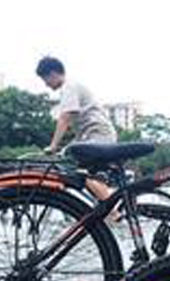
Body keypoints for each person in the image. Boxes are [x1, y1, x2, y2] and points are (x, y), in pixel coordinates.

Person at [36, 55, 116, 200]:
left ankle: (113, 214)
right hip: (94, 135)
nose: (46, 85)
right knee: (89, 174)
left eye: (45, 79)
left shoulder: (69, 86)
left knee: (79, 173)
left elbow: (65, 117)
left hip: (98, 135)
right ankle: (103, 211)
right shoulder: (69, 87)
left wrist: (53, 146)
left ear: (52, 74)